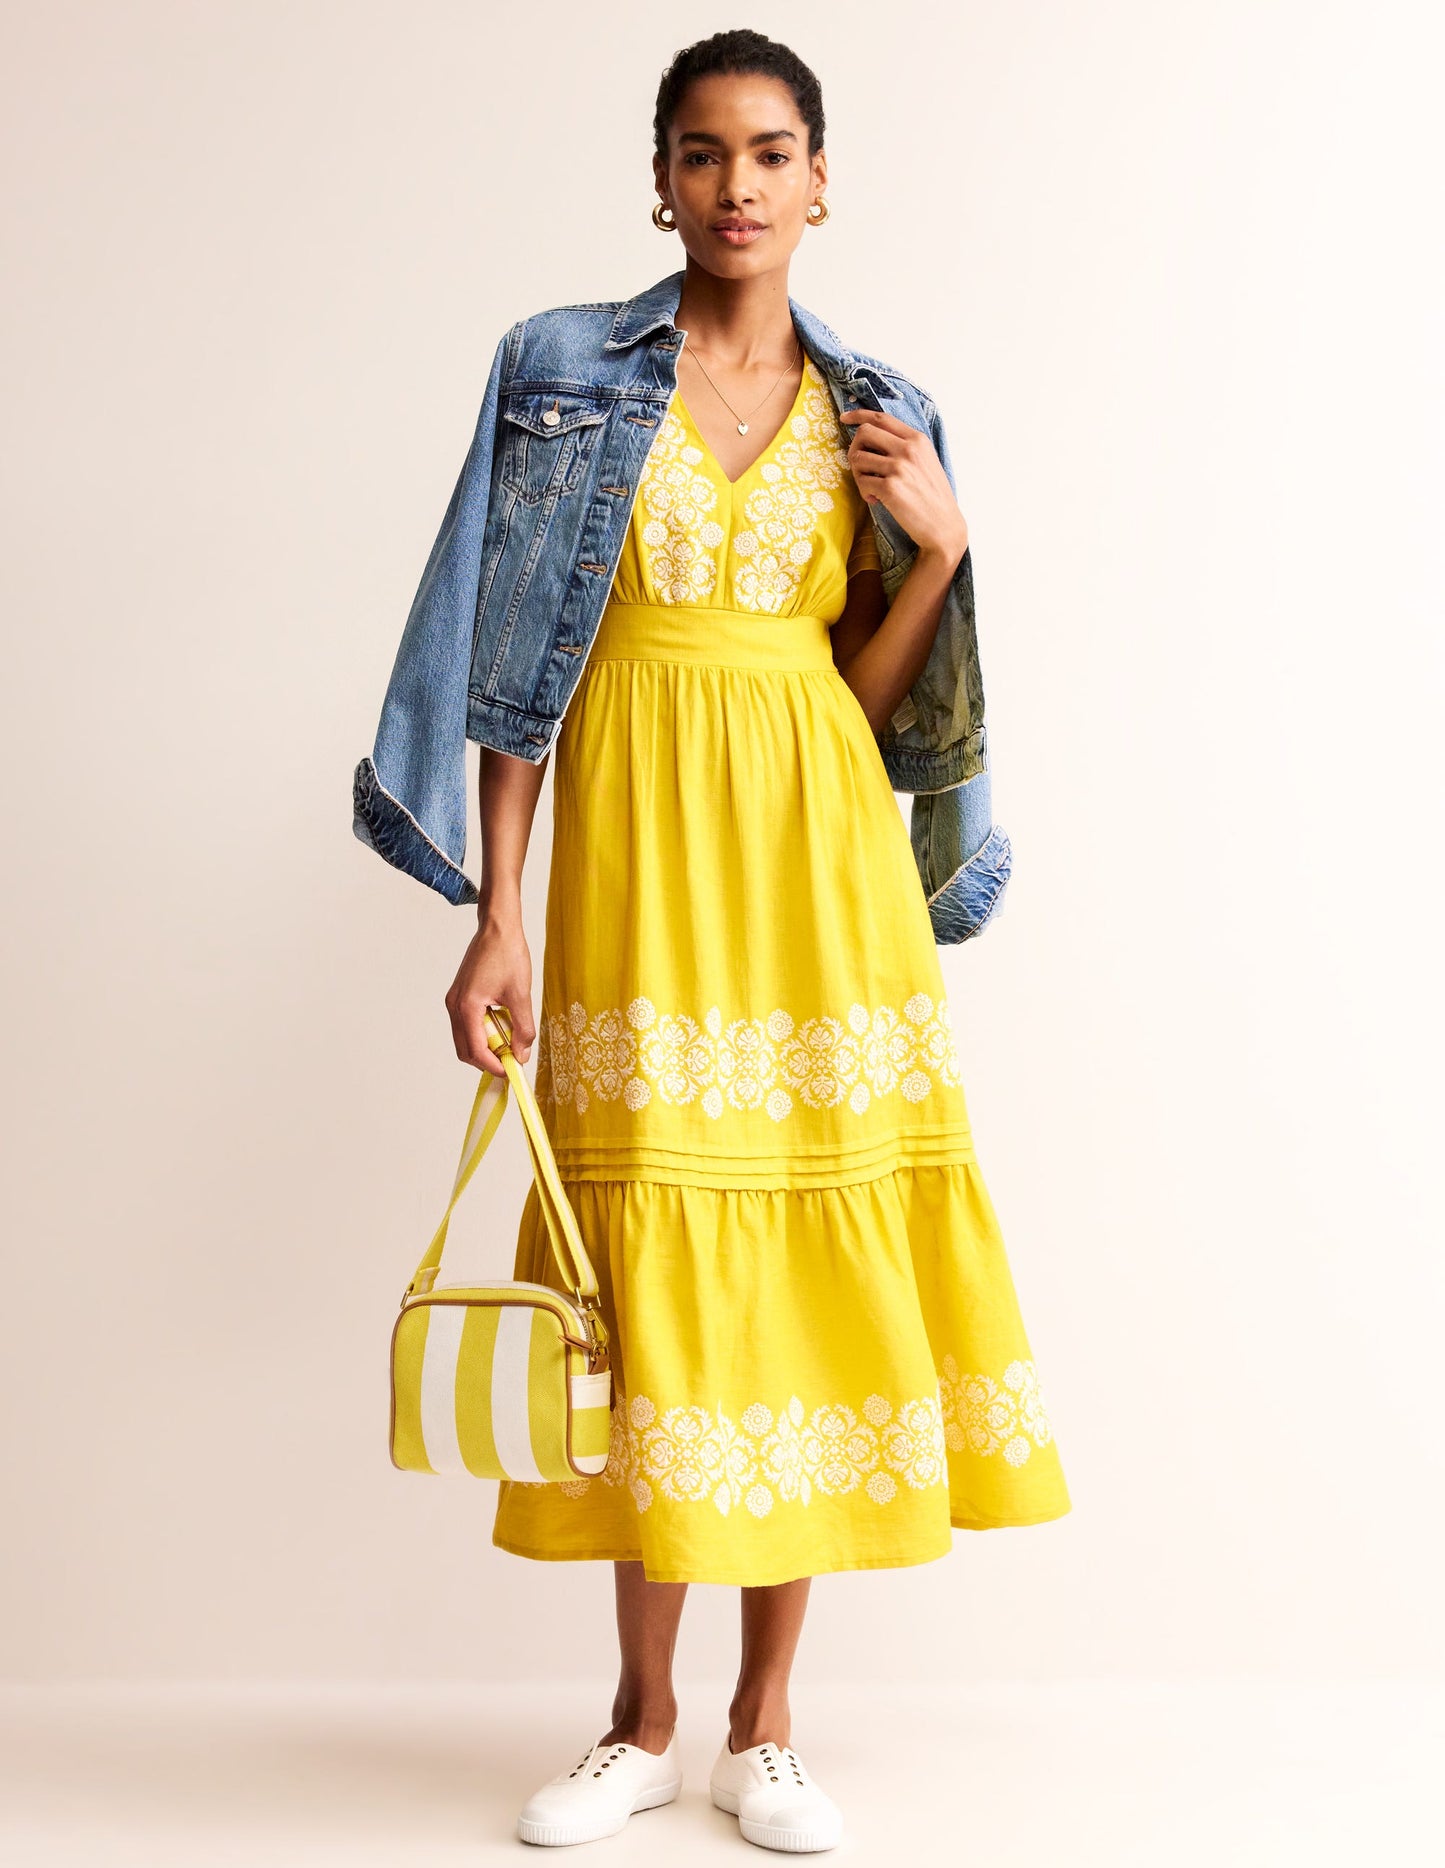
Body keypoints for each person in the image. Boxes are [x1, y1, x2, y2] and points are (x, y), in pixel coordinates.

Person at [428, 29, 1071, 1854]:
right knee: (642, 1274)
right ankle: (636, 1725)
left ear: (818, 181)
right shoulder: (559, 372)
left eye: (771, 153)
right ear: (660, 180)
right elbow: (511, 671)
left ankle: (763, 1726)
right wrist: (497, 913)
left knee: (795, 1266)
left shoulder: (881, 408)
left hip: (819, 871)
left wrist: (938, 553)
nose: (736, 186)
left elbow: (863, 709)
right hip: (639, 859)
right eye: (703, 153)